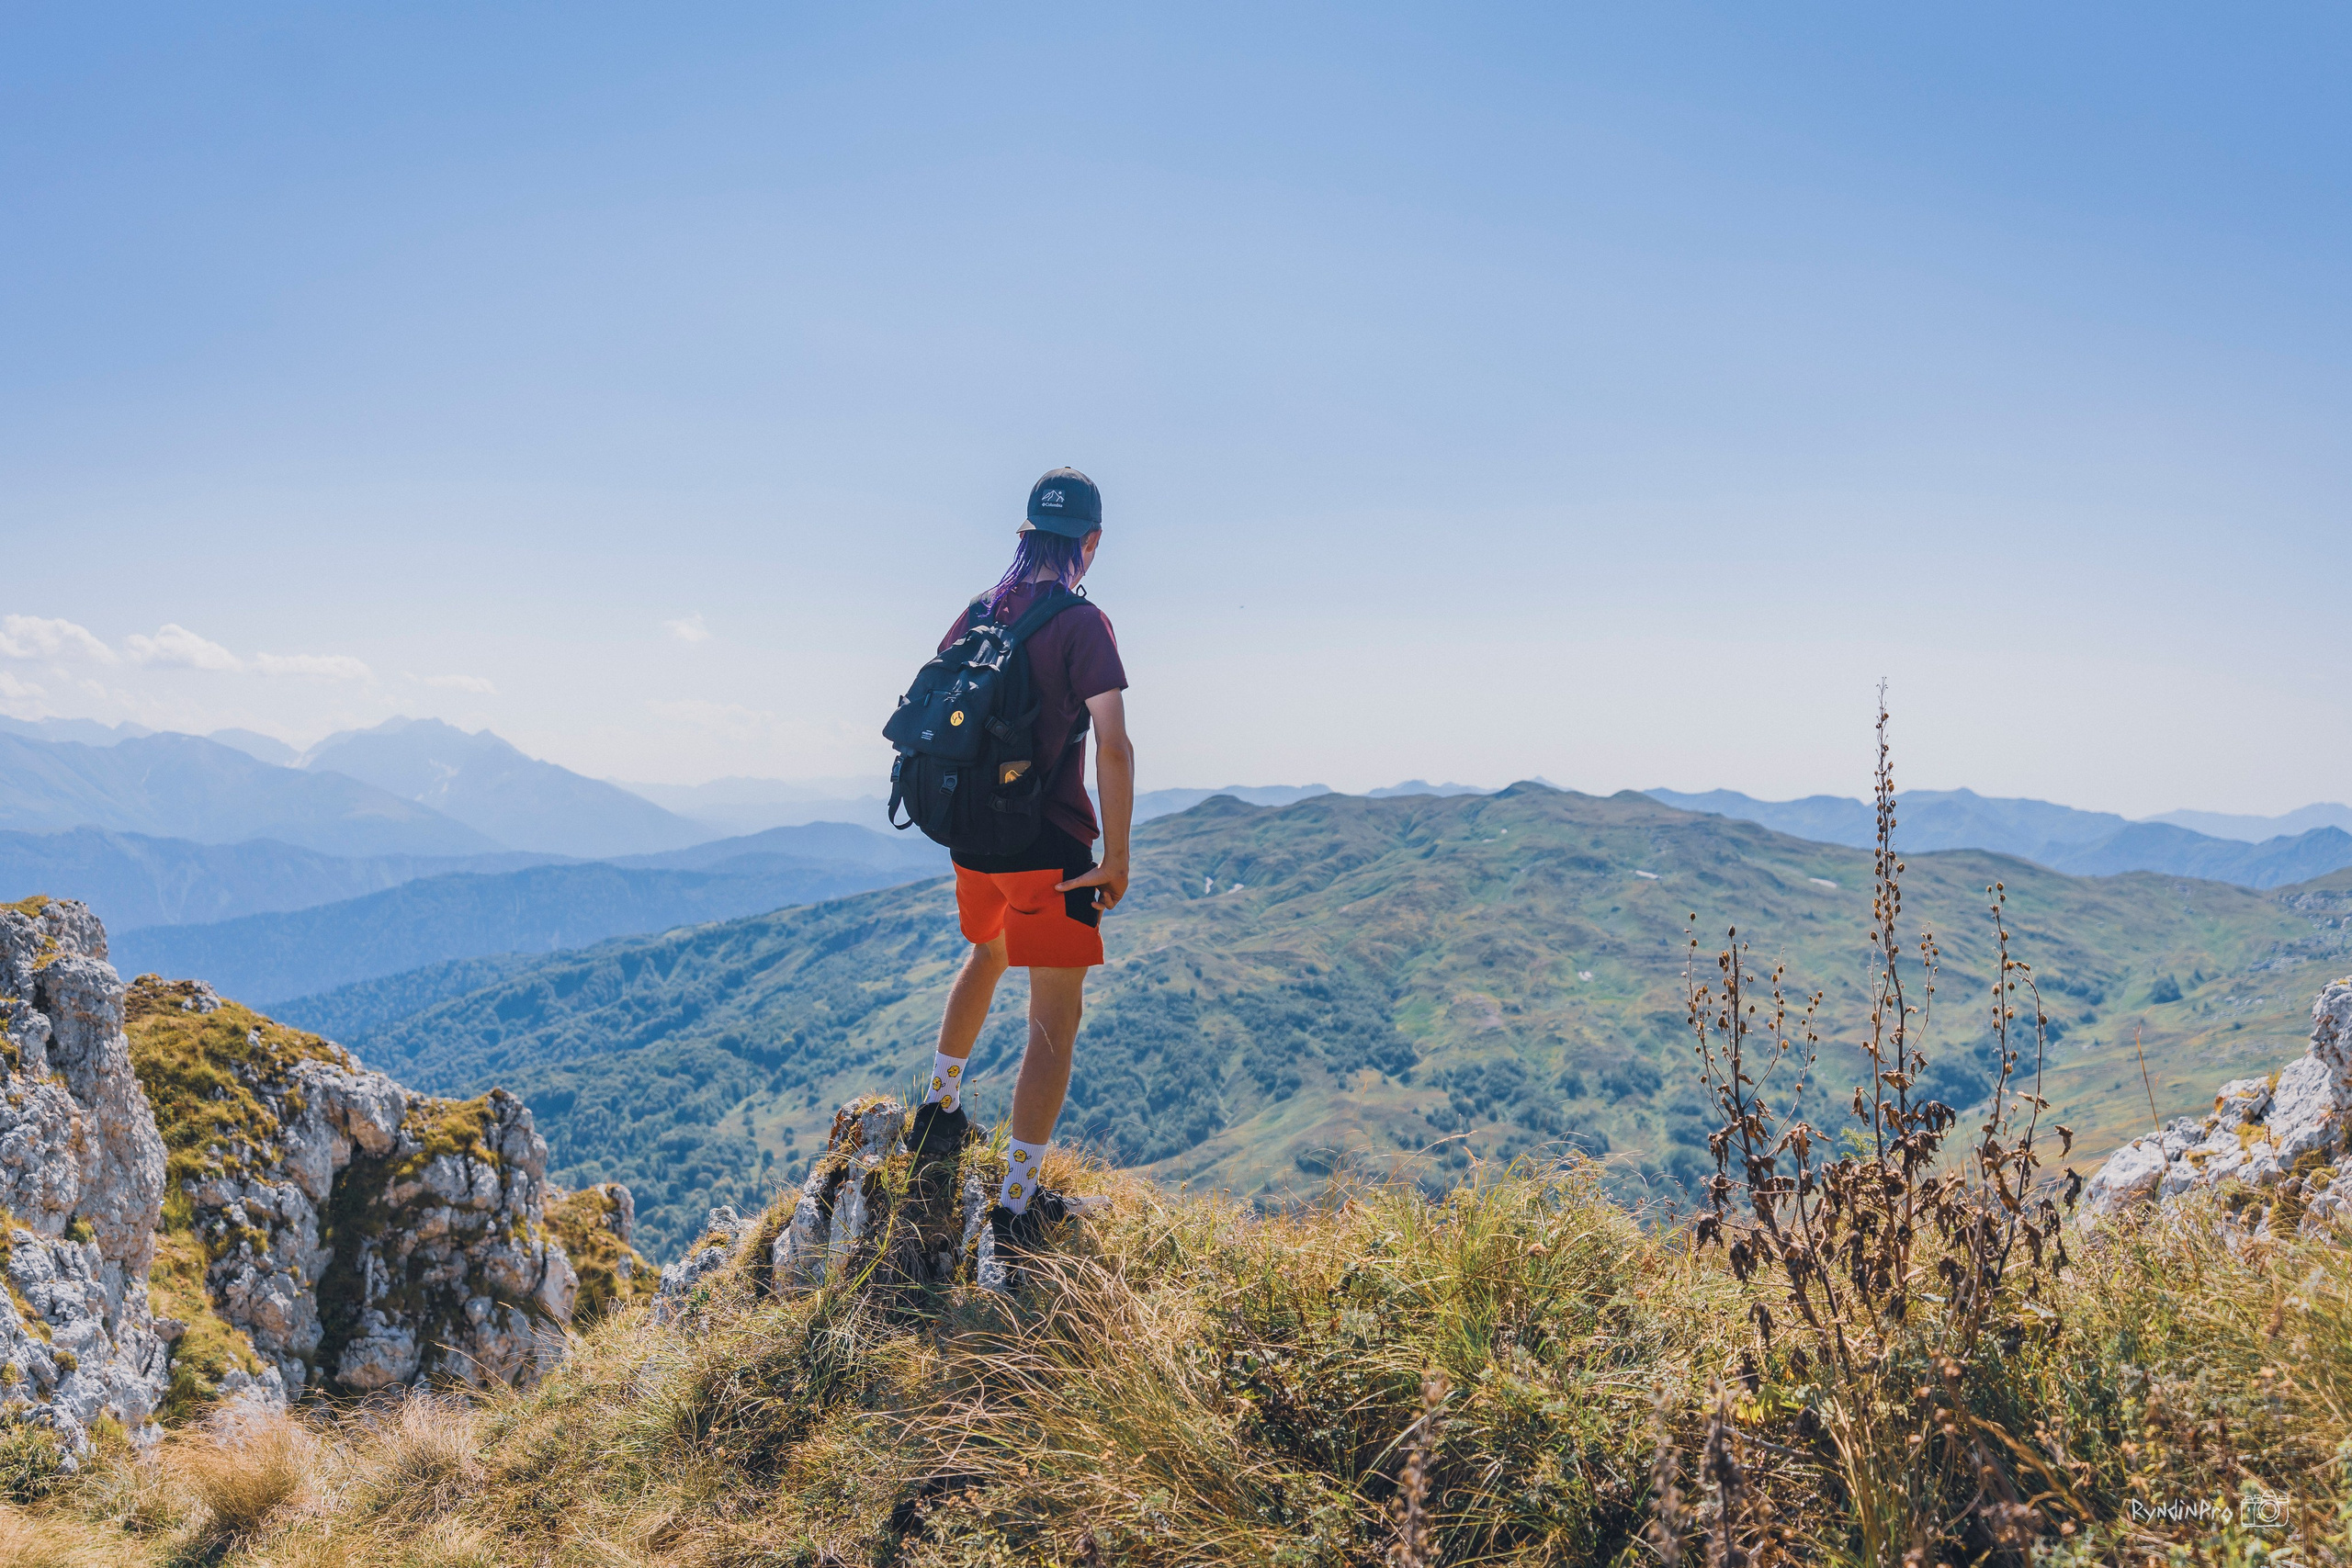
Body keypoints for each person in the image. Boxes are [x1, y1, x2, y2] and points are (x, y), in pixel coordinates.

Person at [904, 467, 1132, 1272]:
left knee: (987, 952)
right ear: (1090, 544)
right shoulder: (1082, 623)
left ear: (1025, 536)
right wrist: (1116, 854)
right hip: (1048, 852)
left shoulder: (979, 611)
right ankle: (1020, 1201)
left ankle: (937, 1105)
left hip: (973, 843)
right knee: (1054, 1021)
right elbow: (1112, 742)